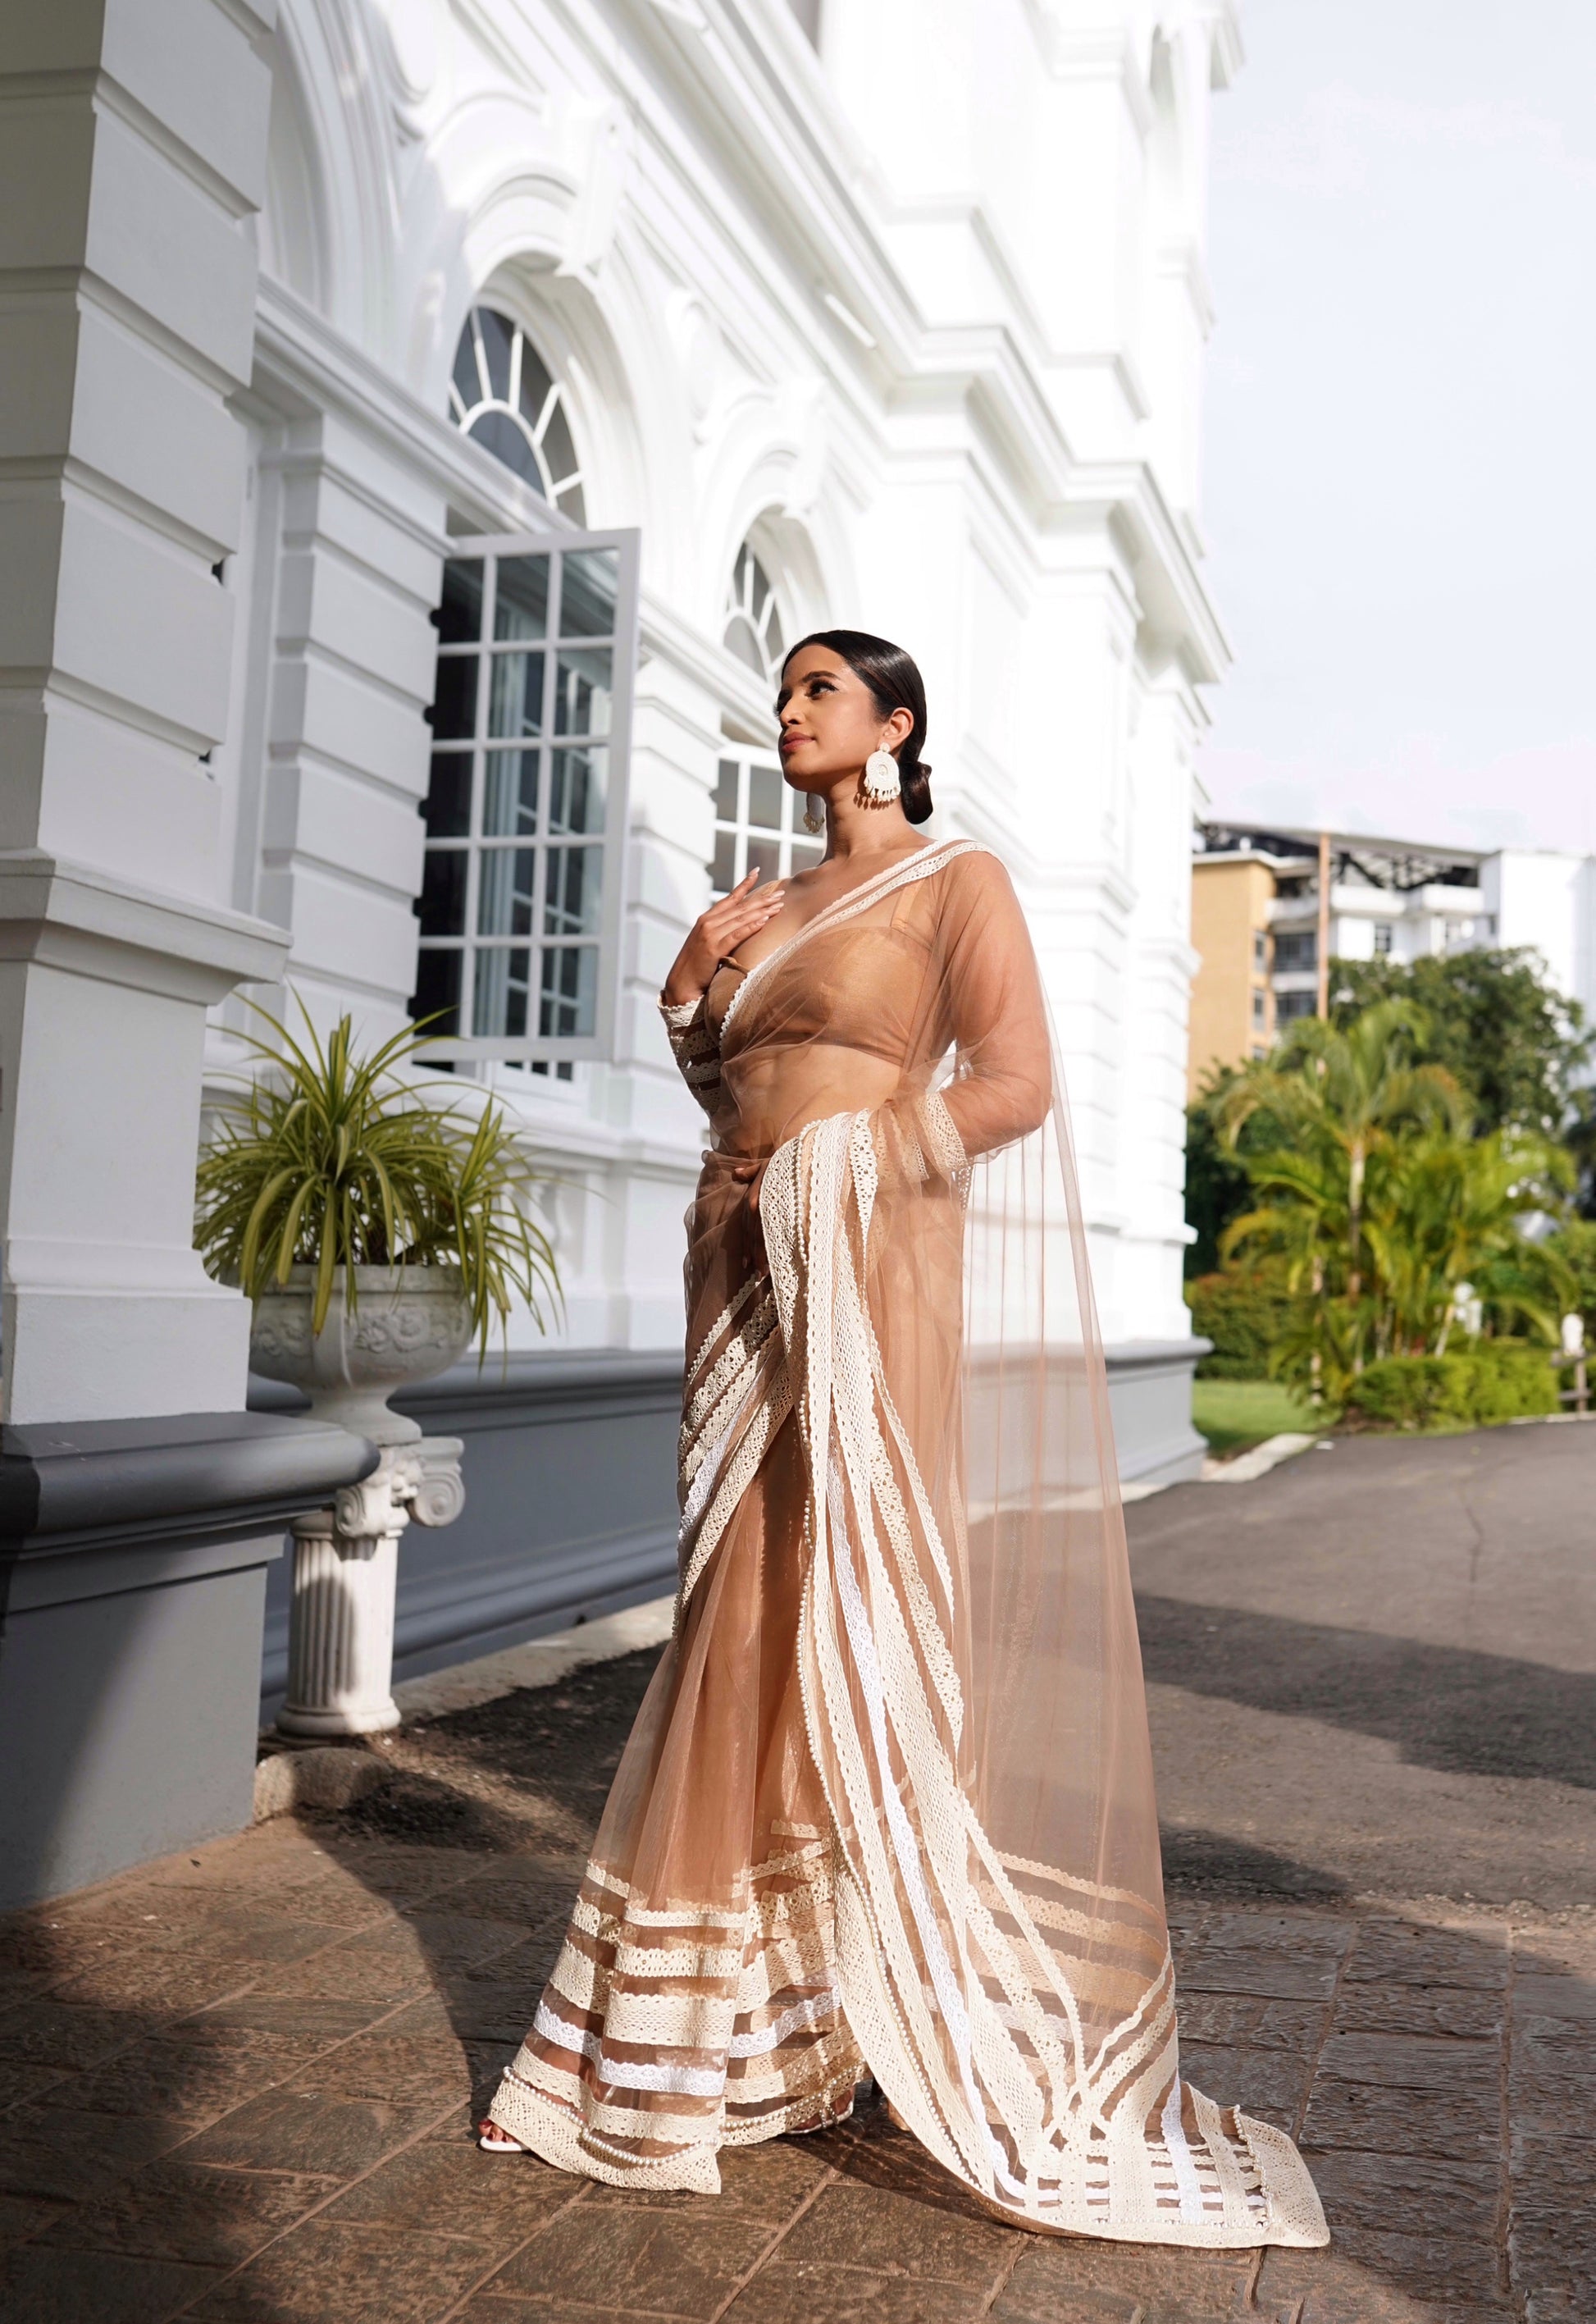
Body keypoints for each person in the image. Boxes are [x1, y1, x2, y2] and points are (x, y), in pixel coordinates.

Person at [481, 631, 1327, 2249]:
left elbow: (1014, 1084)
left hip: (863, 1261)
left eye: (819, 690)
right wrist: (690, 983)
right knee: (732, 1605)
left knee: (830, 1604)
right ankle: (767, 2025)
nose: (788, 711)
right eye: (784, 691)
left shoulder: (955, 882)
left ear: (893, 724)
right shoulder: (767, 904)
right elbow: (730, 1090)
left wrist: (845, 1160)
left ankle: (715, 2039)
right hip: (736, 1260)